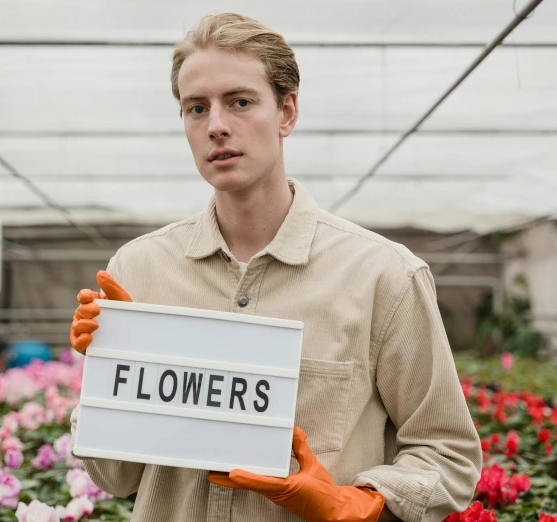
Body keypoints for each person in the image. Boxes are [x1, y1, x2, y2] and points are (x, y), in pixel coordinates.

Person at [69, 12, 481, 522]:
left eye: (240, 102)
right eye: (196, 108)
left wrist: (357, 501)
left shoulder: (383, 276)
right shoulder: (139, 268)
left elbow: (448, 451)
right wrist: (116, 378)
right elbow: (117, 478)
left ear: (287, 112)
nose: (216, 124)